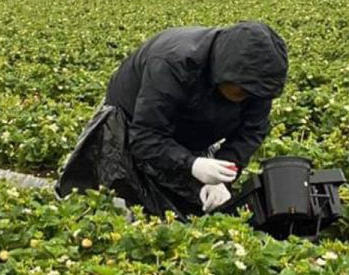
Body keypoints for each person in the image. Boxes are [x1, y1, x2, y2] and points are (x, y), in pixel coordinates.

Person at [56, 22, 289, 218]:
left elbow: (251, 132)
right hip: (128, 125)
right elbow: (146, 137)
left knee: (192, 208)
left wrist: (224, 174)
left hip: (190, 130)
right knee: (118, 203)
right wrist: (191, 164)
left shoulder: (257, 84)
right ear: (225, 71)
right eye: (241, 91)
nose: (245, 99)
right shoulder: (173, 63)